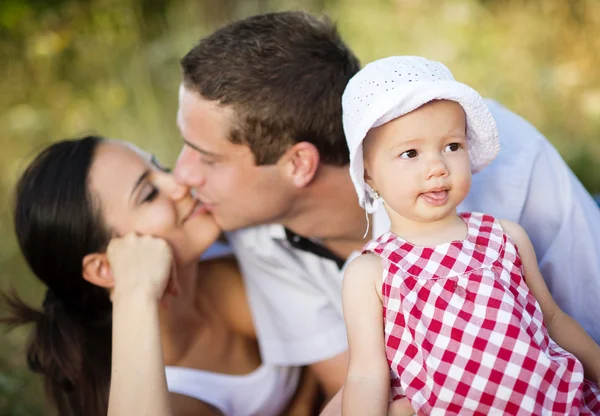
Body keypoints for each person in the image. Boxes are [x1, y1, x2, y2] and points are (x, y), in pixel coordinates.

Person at [173, 11, 600, 411]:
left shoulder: (508, 172)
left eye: (205, 157)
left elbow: (581, 312)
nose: (180, 174)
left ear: (299, 164)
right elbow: (362, 383)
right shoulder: (264, 238)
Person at [340, 55, 600, 415]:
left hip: (554, 404)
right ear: (368, 175)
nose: (437, 167)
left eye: (452, 146)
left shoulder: (504, 238)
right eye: (410, 153)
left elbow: (553, 319)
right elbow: (366, 375)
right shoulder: (372, 272)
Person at [1, 136, 318, 416]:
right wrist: (134, 293)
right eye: (149, 193)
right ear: (105, 267)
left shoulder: (226, 229)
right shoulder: (169, 394)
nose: (180, 182)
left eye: (159, 167)